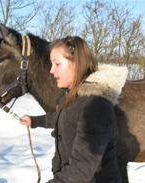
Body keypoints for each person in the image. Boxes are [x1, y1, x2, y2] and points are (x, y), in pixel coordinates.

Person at [20, 36, 123, 183]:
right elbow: (64, 117)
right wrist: (35, 121)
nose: (51, 70)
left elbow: (81, 169)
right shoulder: (72, 96)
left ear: (77, 63)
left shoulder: (97, 106)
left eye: (57, 64)